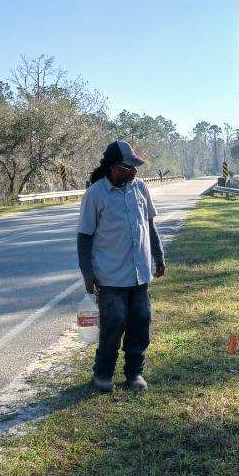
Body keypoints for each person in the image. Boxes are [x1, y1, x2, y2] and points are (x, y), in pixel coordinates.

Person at [77, 139, 166, 392]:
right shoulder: (95, 195)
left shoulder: (140, 188)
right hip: (110, 277)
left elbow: (149, 225)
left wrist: (159, 256)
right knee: (113, 324)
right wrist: (87, 272)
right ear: (115, 168)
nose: (135, 172)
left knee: (141, 321)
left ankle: (134, 373)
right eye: (129, 167)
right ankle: (103, 373)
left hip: (139, 274)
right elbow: (84, 236)